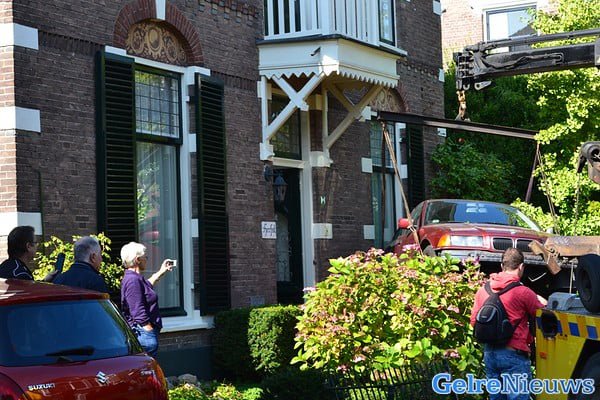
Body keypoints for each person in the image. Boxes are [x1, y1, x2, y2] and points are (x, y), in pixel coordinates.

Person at [470, 248, 547, 400]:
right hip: (513, 355)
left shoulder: (482, 291)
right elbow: (543, 314)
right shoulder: (523, 292)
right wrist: (542, 301)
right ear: (521, 267)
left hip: (489, 354)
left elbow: (474, 322)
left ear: (502, 266)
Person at [120, 241, 175, 357]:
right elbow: (137, 311)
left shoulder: (135, 278)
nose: (147, 259)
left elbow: (147, 286)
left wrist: (161, 271)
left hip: (144, 333)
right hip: (144, 335)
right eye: (145, 257)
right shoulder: (133, 280)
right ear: (138, 260)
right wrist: (149, 330)